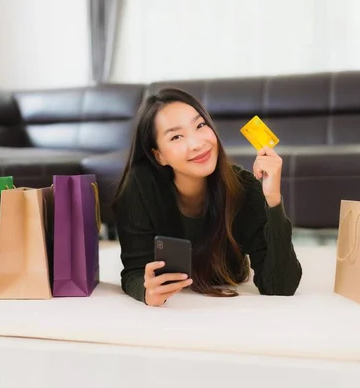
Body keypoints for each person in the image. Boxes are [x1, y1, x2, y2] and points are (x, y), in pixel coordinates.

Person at [112, 87, 302, 307]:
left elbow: (280, 287)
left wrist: (273, 199)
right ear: (159, 155)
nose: (197, 144)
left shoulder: (244, 188)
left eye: (200, 125)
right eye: (176, 136)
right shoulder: (139, 188)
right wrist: (146, 292)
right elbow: (134, 272)